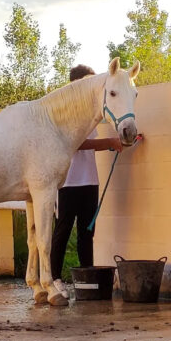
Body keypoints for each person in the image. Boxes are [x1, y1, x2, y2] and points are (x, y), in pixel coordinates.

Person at [48, 64, 132, 281]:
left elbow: (92, 142)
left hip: (89, 180)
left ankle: (88, 278)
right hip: (67, 182)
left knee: (87, 232)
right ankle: (54, 278)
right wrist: (109, 142)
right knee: (63, 230)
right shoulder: (65, 113)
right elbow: (75, 143)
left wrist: (115, 143)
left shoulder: (90, 114)